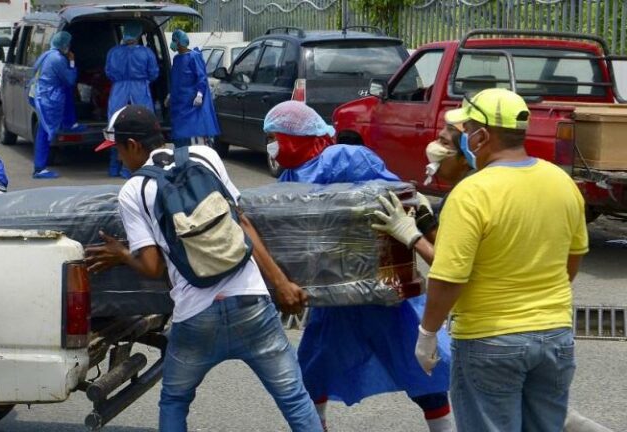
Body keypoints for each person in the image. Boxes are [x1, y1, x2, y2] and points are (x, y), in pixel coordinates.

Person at [85, 105, 322, 432]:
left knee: (174, 401)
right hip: (252, 305)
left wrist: (122, 254)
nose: (119, 159)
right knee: (295, 399)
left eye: (119, 151)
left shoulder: (134, 191)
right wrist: (280, 284)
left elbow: (153, 267)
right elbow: (242, 222)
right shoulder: (204, 156)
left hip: (196, 318)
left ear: (134, 145)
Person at [263, 101, 454, 432]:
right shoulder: (292, 174)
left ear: (294, 135)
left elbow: (396, 193)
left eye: (274, 136)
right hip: (334, 292)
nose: (272, 145)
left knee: (419, 367)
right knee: (316, 365)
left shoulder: (345, 158)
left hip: (377, 284)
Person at [413, 88, 587, 431]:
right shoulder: (561, 182)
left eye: (465, 131)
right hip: (555, 337)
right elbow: (571, 260)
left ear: (482, 136)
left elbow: (449, 277)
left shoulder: (472, 192)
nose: (462, 138)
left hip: (489, 341)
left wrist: (427, 333)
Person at [104, 22, 159, 179]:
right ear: (138, 35)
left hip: (118, 91)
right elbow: (154, 73)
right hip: (140, 90)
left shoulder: (113, 52)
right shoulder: (146, 53)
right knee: (139, 128)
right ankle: (132, 168)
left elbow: (108, 71)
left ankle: (114, 167)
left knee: (116, 127)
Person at [29, 31, 82, 179]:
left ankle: (40, 166)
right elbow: (70, 79)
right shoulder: (58, 59)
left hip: (41, 94)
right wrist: (72, 62)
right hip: (48, 97)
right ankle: (39, 168)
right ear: (64, 45)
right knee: (44, 131)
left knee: (43, 129)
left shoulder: (46, 55)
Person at [167, 29, 220, 148]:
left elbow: (201, 77)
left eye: (174, 41)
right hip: (178, 103)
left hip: (191, 103)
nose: (173, 44)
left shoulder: (194, 57)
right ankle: (181, 157)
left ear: (180, 43)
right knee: (179, 135)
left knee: (192, 132)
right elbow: (176, 80)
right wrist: (171, 95)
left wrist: (199, 94)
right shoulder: (176, 59)